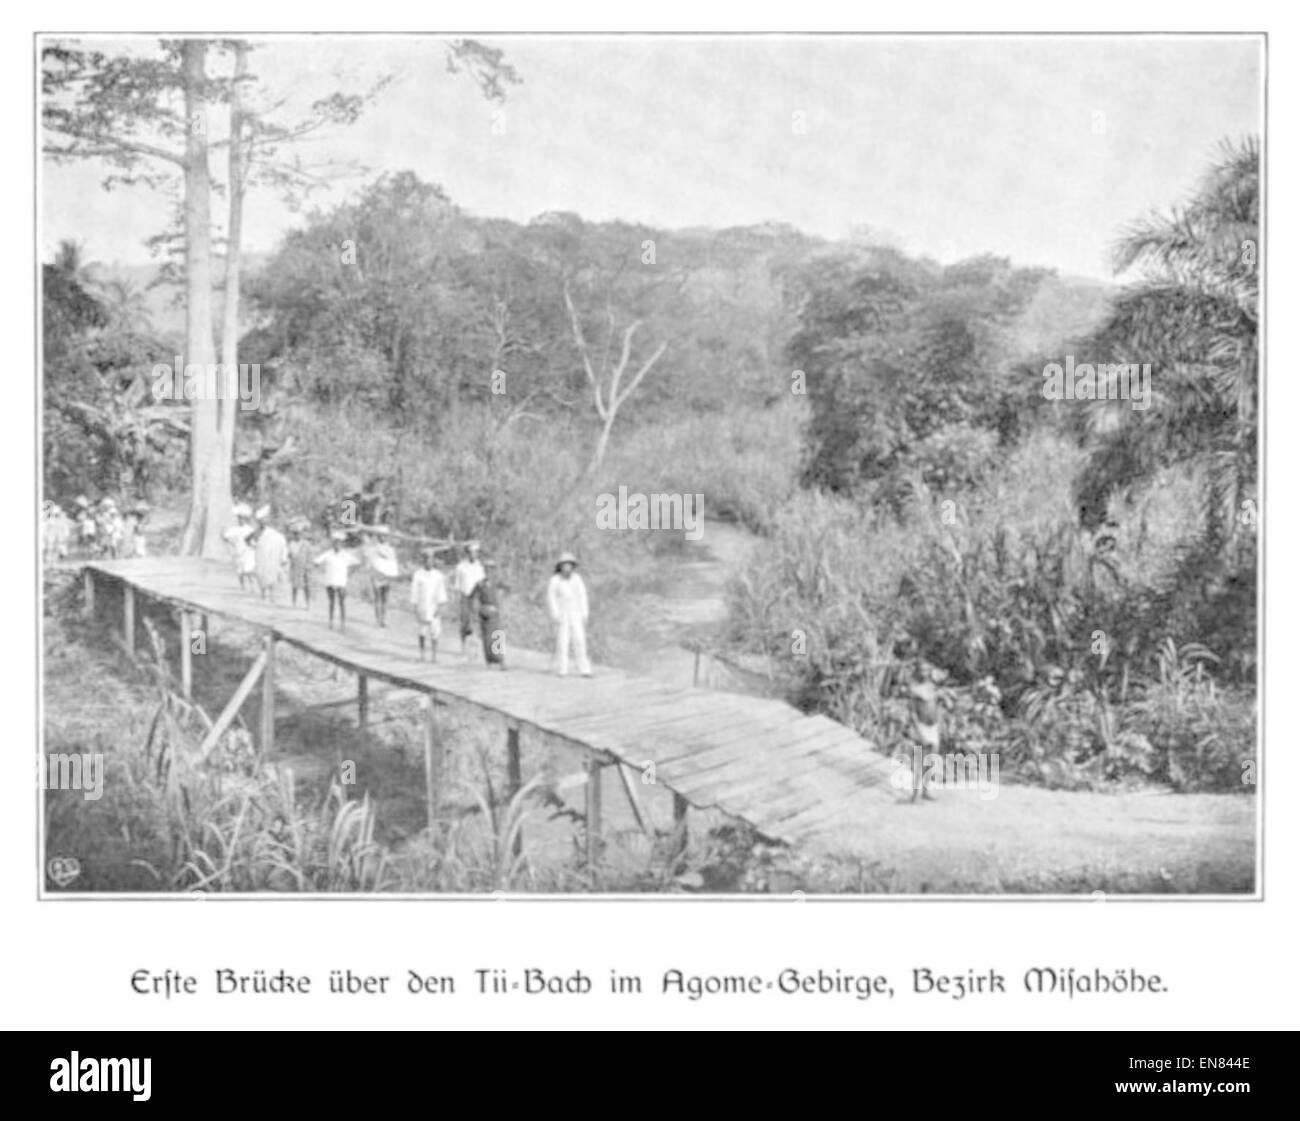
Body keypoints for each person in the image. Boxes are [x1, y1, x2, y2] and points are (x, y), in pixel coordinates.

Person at [547, 551, 592, 677]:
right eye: (564, 565)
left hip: (576, 613)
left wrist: (585, 613)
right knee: (562, 642)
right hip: (562, 614)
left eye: (569, 565)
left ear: (572, 566)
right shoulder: (555, 580)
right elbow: (551, 598)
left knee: (580, 641)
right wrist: (555, 614)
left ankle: (584, 669)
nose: (567, 568)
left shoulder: (577, 579)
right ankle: (562, 669)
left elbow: (583, 596)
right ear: (560, 566)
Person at [410, 548, 449, 661]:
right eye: (426, 558)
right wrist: (415, 607)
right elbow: (414, 592)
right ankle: (422, 654)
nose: (428, 561)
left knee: (435, 632)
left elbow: (441, 592)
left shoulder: (438, 575)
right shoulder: (418, 574)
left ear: (433, 560)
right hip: (422, 605)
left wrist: (440, 607)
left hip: (434, 606)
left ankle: (434, 655)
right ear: (423, 560)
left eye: (430, 559)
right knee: (422, 631)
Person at [314, 531, 358, 630]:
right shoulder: (328, 554)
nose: (337, 544)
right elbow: (316, 561)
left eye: (339, 543)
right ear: (333, 543)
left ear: (342, 544)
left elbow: (357, 563)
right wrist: (321, 570)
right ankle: (331, 621)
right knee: (331, 602)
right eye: (335, 542)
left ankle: (342, 623)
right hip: (330, 581)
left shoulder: (346, 554)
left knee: (342, 603)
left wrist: (350, 573)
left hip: (341, 582)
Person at [470, 559, 506, 669]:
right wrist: (476, 611)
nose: (489, 571)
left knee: (498, 635)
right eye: (487, 569)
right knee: (487, 637)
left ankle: (500, 661)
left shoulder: (497, 582)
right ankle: (489, 661)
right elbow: (472, 596)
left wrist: (501, 600)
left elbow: (508, 589)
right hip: (484, 610)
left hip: (495, 610)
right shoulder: (480, 584)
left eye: (491, 569)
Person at [453, 541, 486, 660]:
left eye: (476, 552)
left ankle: (475, 651)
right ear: (468, 553)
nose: (474, 555)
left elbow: (482, 584)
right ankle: (464, 650)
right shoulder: (461, 567)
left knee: (475, 624)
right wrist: (458, 600)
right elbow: (457, 585)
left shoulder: (479, 567)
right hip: (464, 597)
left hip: (475, 597)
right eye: (472, 552)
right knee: (465, 624)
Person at [362, 526, 399, 627]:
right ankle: (377, 620)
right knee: (377, 598)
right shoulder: (373, 547)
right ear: (378, 536)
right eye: (381, 536)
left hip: (386, 575)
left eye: (385, 536)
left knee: (385, 599)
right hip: (377, 575)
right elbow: (368, 556)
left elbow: (392, 561)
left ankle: (383, 620)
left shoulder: (390, 548)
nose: (383, 538)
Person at [253, 506, 289, 602]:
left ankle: (271, 595)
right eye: (261, 521)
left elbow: (281, 541)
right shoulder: (259, 531)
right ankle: (264, 594)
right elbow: (252, 540)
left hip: (273, 554)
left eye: (264, 520)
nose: (263, 522)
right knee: (262, 573)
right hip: (262, 554)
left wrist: (283, 557)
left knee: (272, 573)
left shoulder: (275, 533)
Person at [223, 503, 257, 590]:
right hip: (239, 551)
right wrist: (232, 543)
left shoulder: (249, 529)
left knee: (248, 570)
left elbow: (253, 539)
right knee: (240, 571)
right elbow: (226, 537)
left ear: (245, 519)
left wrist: (252, 545)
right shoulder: (234, 529)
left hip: (248, 551)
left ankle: (252, 586)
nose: (240, 520)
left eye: (242, 518)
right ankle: (243, 586)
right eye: (239, 518)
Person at [287, 518, 313, 609]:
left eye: (298, 533)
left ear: (301, 534)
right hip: (295, 567)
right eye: (295, 534)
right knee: (294, 586)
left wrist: (309, 566)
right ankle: (294, 602)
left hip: (305, 567)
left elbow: (310, 556)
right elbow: (289, 555)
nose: (297, 535)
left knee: (307, 586)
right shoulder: (291, 544)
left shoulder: (306, 543)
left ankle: (308, 603)